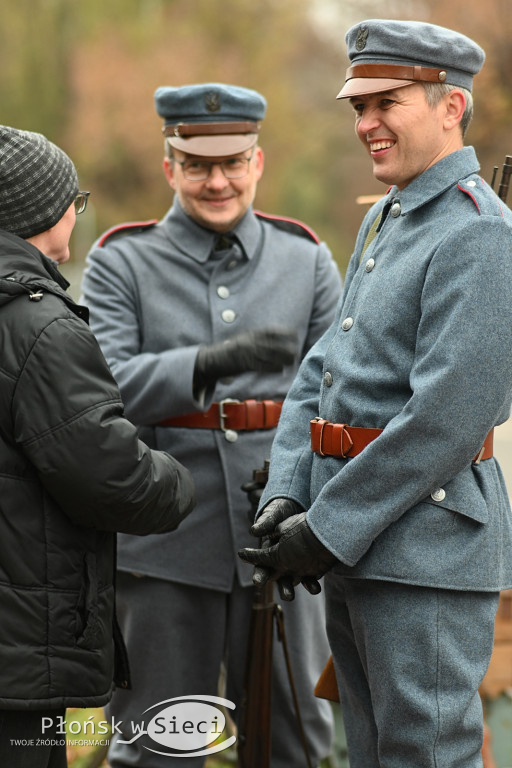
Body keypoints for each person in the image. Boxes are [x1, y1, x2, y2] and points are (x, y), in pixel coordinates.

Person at [239, 20, 512, 768]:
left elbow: (446, 421)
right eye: (358, 107)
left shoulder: (480, 234)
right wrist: (289, 493)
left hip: (424, 550)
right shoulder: (384, 218)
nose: (365, 124)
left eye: (386, 103)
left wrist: (326, 530)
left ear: (451, 105)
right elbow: (323, 368)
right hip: (361, 545)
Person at [81, 83, 342, 767]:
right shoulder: (120, 261)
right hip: (166, 543)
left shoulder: (306, 258)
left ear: (259, 163)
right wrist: (207, 364)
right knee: (160, 743)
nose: (217, 180)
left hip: (283, 538)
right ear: (170, 167)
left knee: (297, 739)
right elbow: (100, 386)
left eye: (233, 163)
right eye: (197, 165)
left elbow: (339, 390)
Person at [0, 125, 195, 768]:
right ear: (43, 212)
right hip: (21, 655)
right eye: (74, 202)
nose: (77, 217)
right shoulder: (37, 326)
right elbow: (114, 479)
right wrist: (175, 476)